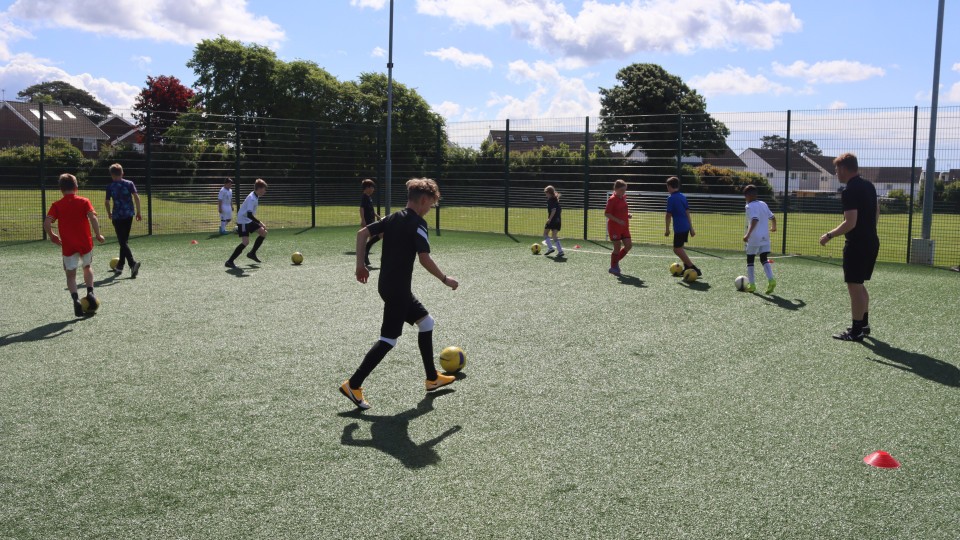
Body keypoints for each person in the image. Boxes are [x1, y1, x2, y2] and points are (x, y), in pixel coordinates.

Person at [340, 177, 459, 410]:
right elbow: (424, 258)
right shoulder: (418, 223)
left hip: (388, 285)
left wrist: (359, 266)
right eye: (431, 205)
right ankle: (353, 384)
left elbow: (362, 233)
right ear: (423, 200)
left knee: (426, 323)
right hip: (398, 290)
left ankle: (432, 378)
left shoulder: (392, 217)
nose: (429, 210)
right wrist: (446, 279)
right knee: (388, 339)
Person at [819, 153, 879, 341]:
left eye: (836, 169)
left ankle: (856, 331)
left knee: (854, 287)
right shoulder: (868, 186)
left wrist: (828, 235)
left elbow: (850, 222)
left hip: (857, 245)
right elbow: (876, 212)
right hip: (871, 241)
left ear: (844, 169)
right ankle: (863, 324)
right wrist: (868, 229)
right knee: (859, 285)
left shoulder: (849, 190)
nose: (836, 172)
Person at [44, 173, 106, 316]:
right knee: (87, 266)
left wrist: (52, 235)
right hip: (85, 243)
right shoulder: (84, 201)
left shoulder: (57, 205)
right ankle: (90, 292)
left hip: (68, 246)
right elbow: (93, 218)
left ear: (61, 189)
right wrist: (97, 234)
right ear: (76, 187)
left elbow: (47, 223)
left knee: (71, 275)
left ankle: (75, 299)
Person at [104, 163, 142, 278]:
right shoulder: (129, 183)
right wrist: (139, 212)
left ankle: (132, 263)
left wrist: (109, 212)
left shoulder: (110, 186)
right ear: (122, 173)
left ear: (111, 175)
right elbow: (136, 197)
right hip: (128, 215)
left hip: (117, 216)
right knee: (124, 241)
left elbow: (107, 201)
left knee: (122, 241)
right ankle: (120, 266)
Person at [742, 184, 777, 294]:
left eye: (745, 196)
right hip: (765, 236)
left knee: (750, 259)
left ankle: (752, 285)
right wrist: (774, 227)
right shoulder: (763, 203)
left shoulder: (749, 206)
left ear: (748, 196)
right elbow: (773, 217)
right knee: (763, 258)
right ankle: (771, 280)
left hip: (755, 237)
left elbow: (754, 220)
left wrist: (747, 235)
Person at [225, 178, 268, 268]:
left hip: (248, 220)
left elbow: (249, 215)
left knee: (263, 232)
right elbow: (249, 215)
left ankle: (252, 253)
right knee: (245, 242)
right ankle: (229, 261)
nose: (265, 191)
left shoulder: (256, 196)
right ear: (259, 189)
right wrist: (260, 223)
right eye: (264, 189)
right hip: (243, 221)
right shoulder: (252, 198)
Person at [665, 176, 700, 276]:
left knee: (676, 249)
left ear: (669, 186)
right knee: (680, 247)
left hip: (679, 227)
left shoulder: (671, 198)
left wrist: (667, 229)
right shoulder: (683, 196)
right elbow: (687, 212)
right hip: (685, 227)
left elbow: (668, 215)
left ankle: (692, 267)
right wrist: (691, 228)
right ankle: (686, 267)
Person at [604, 179, 632, 275]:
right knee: (617, 247)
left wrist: (627, 214)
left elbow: (621, 210)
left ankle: (614, 263)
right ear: (615, 189)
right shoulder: (612, 200)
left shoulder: (623, 197)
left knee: (628, 245)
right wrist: (619, 220)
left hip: (624, 227)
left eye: (625, 190)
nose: (623, 192)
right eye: (621, 190)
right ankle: (614, 267)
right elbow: (607, 214)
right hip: (614, 227)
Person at [360, 178, 381, 267]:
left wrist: (378, 216)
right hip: (368, 221)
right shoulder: (364, 197)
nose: (373, 189)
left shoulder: (369, 198)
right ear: (367, 188)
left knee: (372, 238)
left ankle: (365, 255)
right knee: (374, 236)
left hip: (372, 221)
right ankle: (364, 254)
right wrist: (363, 220)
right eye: (372, 187)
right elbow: (361, 209)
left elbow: (372, 210)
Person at [543, 185, 564, 257]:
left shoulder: (551, 200)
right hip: (558, 220)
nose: (546, 195)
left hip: (552, 220)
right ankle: (560, 251)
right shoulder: (556, 200)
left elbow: (553, 210)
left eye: (546, 193)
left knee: (545, 234)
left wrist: (550, 219)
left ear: (549, 193)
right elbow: (560, 210)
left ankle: (550, 248)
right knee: (554, 235)